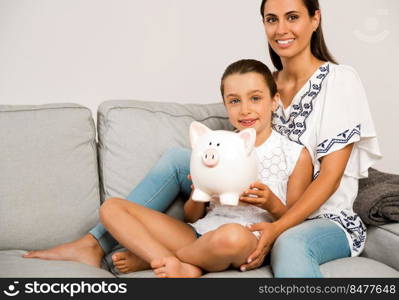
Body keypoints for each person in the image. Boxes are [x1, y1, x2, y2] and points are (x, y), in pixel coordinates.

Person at [24, 0, 381, 277]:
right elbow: (221, 167)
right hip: (227, 221)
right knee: (180, 158)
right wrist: (202, 189)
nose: (281, 29)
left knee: (289, 245)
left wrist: (276, 226)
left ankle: (175, 259)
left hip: (320, 218)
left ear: (314, 20)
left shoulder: (339, 80)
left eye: (293, 17)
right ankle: (94, 242)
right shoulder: (266, 84)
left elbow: (331, 177)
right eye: (272, 19)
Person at [95, 59, 314, 277]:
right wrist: (197, 193)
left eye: (255, 98)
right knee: (111, 208)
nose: (245, 110)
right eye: (234, 101)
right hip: (199, 232)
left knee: (231, 236)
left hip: (246, 239)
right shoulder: (213, 145)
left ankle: (155, 259)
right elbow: (192, 217)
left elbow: (293, 221)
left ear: (274, 100)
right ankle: (176, 261)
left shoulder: (295, 155)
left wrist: (271, 203)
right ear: (226, 105)